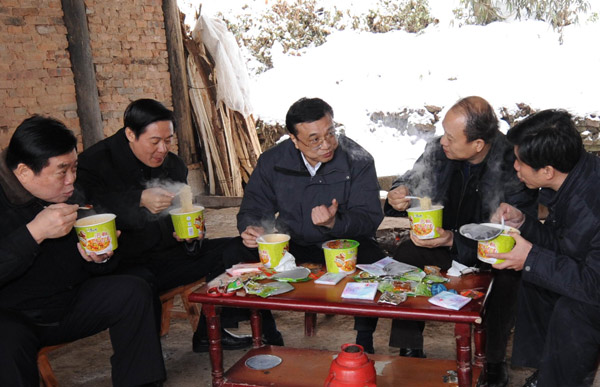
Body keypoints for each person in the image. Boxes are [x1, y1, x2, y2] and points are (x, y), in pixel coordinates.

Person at [380, 96, 538, 386]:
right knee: (406, 253)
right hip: (443, 244)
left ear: (478, 144)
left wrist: (453, 240)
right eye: (444, 133)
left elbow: (516, 236)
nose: (443, 142)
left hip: (489, 252)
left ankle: (492, 362)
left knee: (507, 277)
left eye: (451, 138)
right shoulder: (439, 150)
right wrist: (397, 194)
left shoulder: (513, 164)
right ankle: (410, 348)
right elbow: (412, 180)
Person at [0, 116, 165, 386]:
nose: (71, 181)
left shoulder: (72, 195)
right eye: (61, 172)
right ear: (24, 172)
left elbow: (91, 263)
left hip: (66, 304)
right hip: (14, 316)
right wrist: (34, 233)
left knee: (133, 291)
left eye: (74, 168)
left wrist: (100, 258)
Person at [76, 99, 251, 353]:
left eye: (168, 140)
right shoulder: (95, 163)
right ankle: (144, 363)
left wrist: (191, 237)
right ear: (130, 134)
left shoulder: (173, 165)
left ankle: (208, 333)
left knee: (237, 250)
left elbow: (182, 212)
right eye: (155, 141)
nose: (162, 149)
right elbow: (84, 210)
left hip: (170, 256)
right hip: (125, 264)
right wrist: (137, 199)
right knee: (138, 285)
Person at [224, 97, 386, 346]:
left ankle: (364, 339)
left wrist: (334, 222)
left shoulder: (358, 160)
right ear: (294, 139)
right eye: (314, 139)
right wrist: (252, 227)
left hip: (343, 244)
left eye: (330, 133)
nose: (326, 145)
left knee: (373, 259)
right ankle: (268, 333)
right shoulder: (273, 161)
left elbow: (369, 218)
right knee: (239, 251)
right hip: (294, 243)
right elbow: (255, 206)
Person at [487, 109, 600, 387]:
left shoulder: (592, 204)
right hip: (590, 273)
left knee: (572, 310)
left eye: (520, 162)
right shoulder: (574, 177)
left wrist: (530, 257)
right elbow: (563, 244)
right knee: (534, 279)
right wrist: (524, 222)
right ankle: (546, 371)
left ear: (547, 171)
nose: (515, 166)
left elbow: (593, 286)